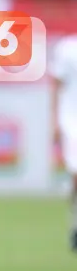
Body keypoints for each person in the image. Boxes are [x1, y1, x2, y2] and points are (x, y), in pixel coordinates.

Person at [51, 33, 77, 252]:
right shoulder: (68, 48)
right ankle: (75, 221)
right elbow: (57, 85)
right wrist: (55, 120)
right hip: (72, 119)